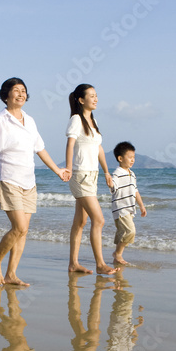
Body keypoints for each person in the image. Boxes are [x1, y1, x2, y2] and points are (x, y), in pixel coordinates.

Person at [0, 77, 70, 286]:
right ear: (6, 95)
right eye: (16, 90)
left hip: (29, 182)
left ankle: (11, 274)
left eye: (24, 91)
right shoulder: (0, 120)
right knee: (18, 227)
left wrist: (57, 170)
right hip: (9, 179)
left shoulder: (30, 120)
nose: (21, 94)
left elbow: (40, 149)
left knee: (24, 230)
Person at [65, 83, 115, 275]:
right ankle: (100, 264)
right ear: (81, 100)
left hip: (92, 176)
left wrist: (106, 172)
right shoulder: (76, 119)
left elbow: (99, 149)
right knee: (99, 220)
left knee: (80, 222)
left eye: (96, 95)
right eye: (91, 96)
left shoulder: (92, 121)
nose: (95, 99)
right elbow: (70, 144)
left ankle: (73, 264)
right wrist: (68, 168)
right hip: (80, 175)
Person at [110, 140, 147, 265]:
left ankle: (117, 256)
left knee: (122, 233)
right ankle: (118, 254)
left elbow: (135, 191)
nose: (132, 160)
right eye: (130, 157)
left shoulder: (132, 174)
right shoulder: (117, 173)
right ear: (120, 158)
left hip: (130, 209)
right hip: (121, 209)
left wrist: (141, 206)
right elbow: (113, 186)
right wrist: (110, 183)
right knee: (130, 231)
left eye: (134, 157)